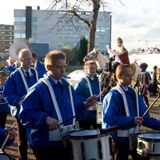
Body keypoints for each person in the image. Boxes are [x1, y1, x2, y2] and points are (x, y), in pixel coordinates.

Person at [19, 50, 97, 160]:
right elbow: (24, 114)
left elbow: (72, 106)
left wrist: (84, 104)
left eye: (64, 67)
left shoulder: (67, 86)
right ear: (48, 67)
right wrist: (44, 118)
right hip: (45, 144)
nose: (62, 70)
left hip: (66, 141)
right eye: (58, 67)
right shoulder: (38, 88)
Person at [102, 64, 160, 160]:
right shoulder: (113, 95)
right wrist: (131, 120)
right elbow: (110, 119)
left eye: (131, 75)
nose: (131, 78)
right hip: (118, 141)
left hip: (135, 139)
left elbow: (145, 118)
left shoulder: (134, 94)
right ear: (119, 76)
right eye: (127, 75)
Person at [3, 48, 39, 160]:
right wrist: (18, 100)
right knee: (23, 138)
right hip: (21, 111)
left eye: (31, 59)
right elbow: (7, 93)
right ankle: (22, 158)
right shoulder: (14, 75)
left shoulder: (34, 72)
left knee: (36, 136)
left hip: (35, 110)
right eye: (27, 59)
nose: (30, 61)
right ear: (21, 60)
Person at [74, 60, 102, 129]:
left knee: (100, 133)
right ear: (85, 69)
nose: (93, 70)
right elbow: (75, 96)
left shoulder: (98, 80)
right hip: (86, 114)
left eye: (94, 68)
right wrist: (85, 101)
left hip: (98, 112)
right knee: (85, 133)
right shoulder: (82, 81)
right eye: (91, 68)